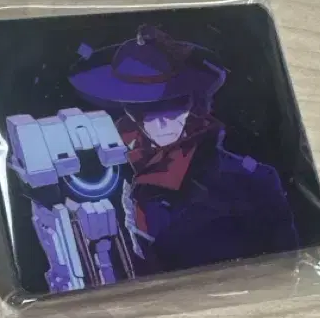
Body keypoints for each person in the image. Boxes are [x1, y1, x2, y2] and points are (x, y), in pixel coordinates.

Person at [68, 26, 299, 275]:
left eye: (173, 106)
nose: (161, 123)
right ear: (129, 111)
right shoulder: (115, 176)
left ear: (191, 102)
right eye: (144, 111)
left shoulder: (254, 180)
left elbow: (287, 265)